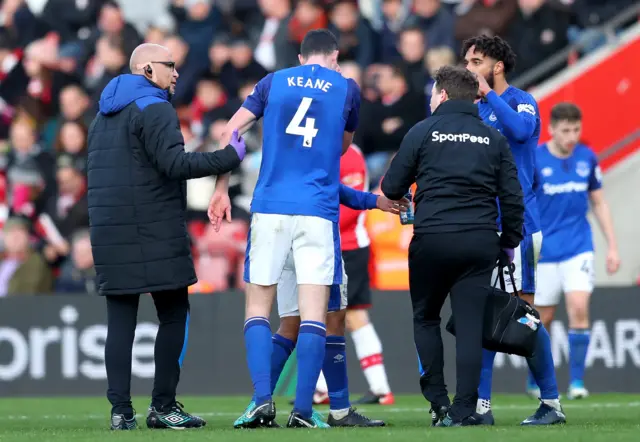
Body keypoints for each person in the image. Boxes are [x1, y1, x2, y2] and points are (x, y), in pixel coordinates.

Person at [87, 43, 245, 431]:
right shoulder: (155, 107)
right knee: (174, 314)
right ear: (146, 70)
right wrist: (228, 156)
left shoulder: (102, 115)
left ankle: (121, 412)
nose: (176, 73)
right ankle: (163, 406)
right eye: (169, 66)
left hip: (109, 230)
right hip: (153, 227)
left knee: (120, 320)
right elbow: (174, 164)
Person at [207, 29, 361, 428]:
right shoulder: (346, 88)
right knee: (313, 313)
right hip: (317, 209)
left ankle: (261, 401)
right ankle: (304, 413)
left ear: (299, 57)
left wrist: (222, 188)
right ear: (334, 56)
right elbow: (343, 148)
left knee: (259, 307)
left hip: (270, 206)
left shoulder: (271, 82)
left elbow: (230, 132)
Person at [381, 65, 525, 427]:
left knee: (426, 317)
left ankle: (438, 402)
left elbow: (392, 187)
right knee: (471, 326)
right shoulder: (493, 137)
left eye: (433, 93)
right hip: (478, 241)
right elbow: (511, 198)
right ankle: (464, 409)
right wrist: (507, 243)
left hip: (432, 238)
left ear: (442, 95)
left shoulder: (422, 131)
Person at [233, 181, 406, 428]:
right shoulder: (339, 146)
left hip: (275, 219)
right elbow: (330, 181)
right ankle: (333, 410)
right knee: (331, 317)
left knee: (290, 323)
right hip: (315, 226)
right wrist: (374, 201)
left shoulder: (277, 143)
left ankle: (259, 403)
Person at [462, 34, 566, 426]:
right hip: (486, 227)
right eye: (468, 62)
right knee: (487, 316)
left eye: (476, 62)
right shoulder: (474, 110)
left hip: (518, 229)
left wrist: (488, 95)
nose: (470, 68)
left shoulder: (521, 100)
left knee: (523, 315)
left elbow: (522, 132)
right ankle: (481, 409)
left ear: (496, 66)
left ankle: (551, 404)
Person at [533, 102, 620, 399]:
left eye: (576, 129)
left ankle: (577, 384)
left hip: (578, 247)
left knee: (579, 308)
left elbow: (598, 202)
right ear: (552, 130)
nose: (572, 136)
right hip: (544, 252)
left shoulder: (587, 157)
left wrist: (612, 247)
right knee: (542, 318)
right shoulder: (535, 159)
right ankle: (537, 380)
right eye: (566, 130)